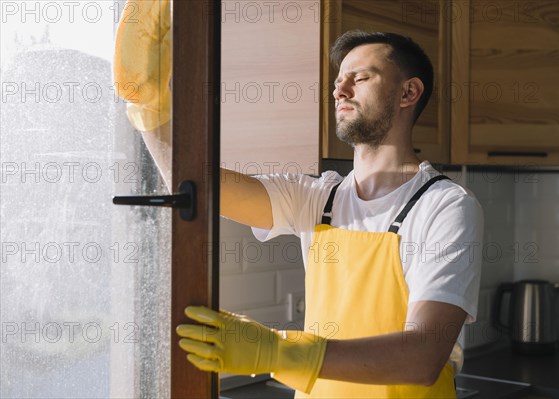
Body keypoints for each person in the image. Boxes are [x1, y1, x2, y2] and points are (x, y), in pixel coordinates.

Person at [114, 2, 483, 398]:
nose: (340, 90)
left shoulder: (444, 206)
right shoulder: (316, 197)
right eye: (339, 80)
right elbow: (203, 189)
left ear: (408, 92)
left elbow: (422, 357)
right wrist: (151, 109)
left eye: (360, 78)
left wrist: (277, 350)